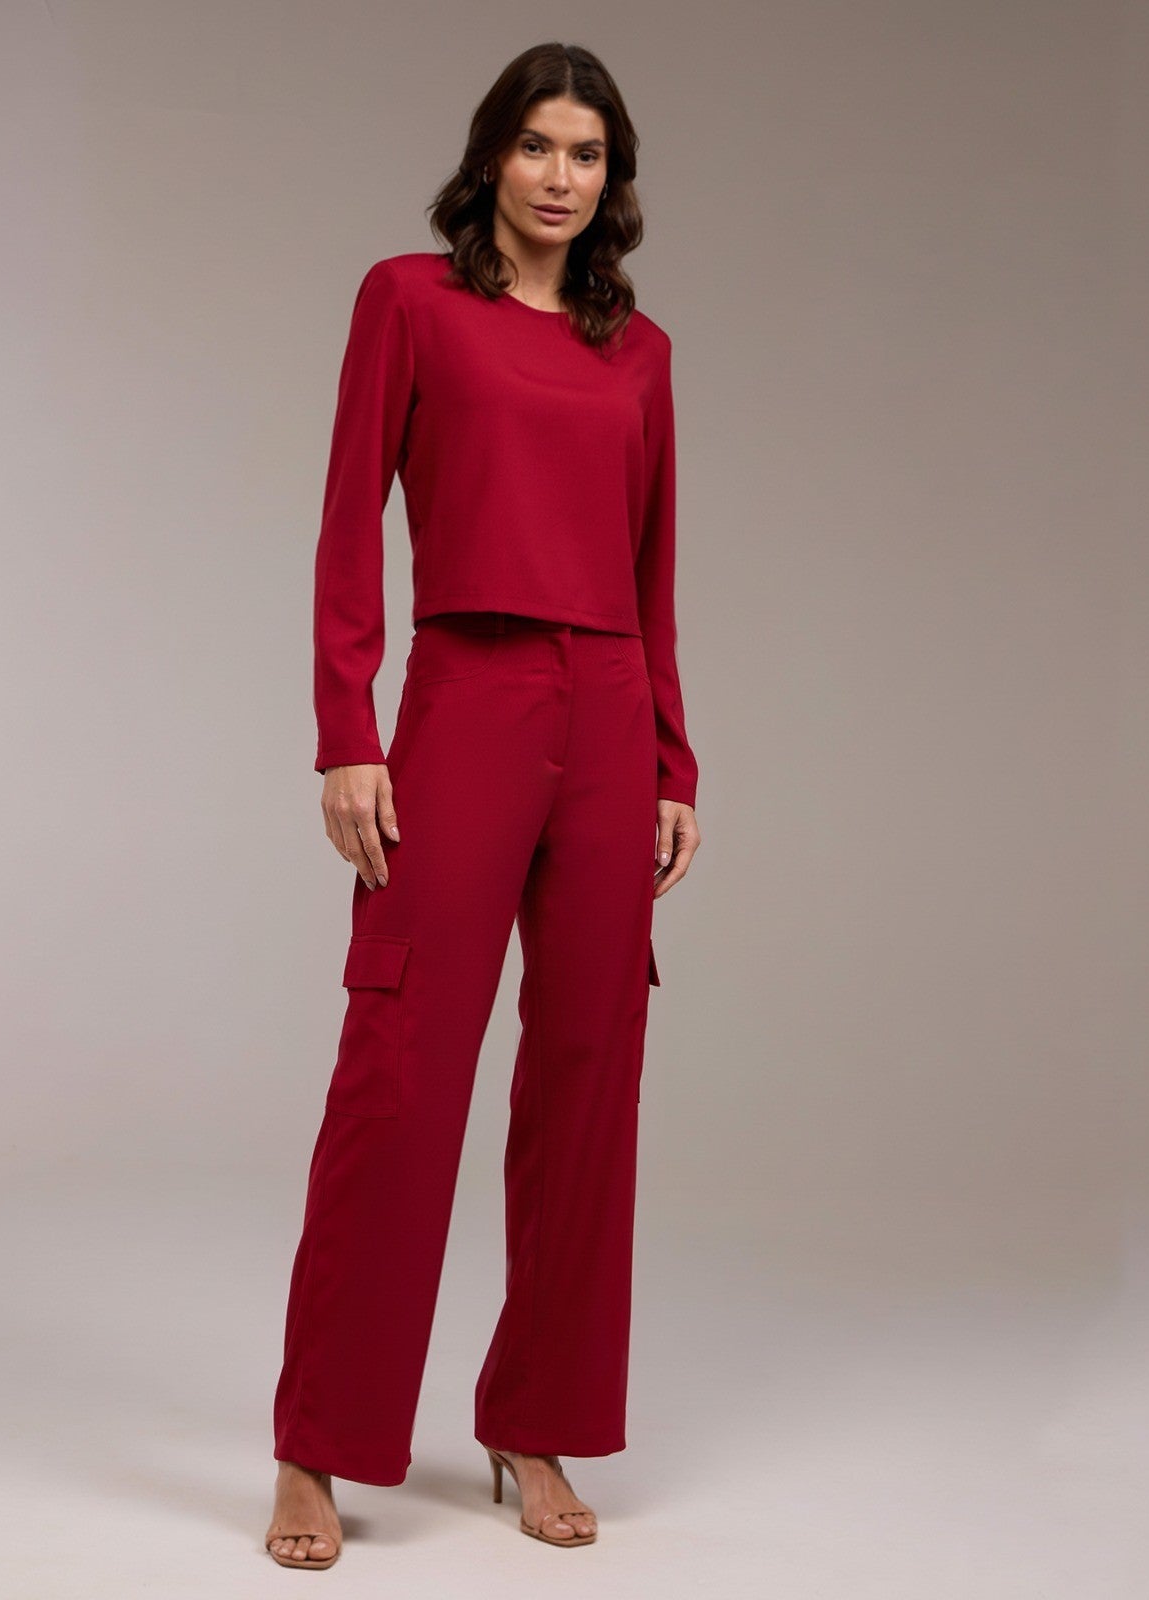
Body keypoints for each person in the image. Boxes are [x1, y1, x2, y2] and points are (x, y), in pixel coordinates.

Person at [264, 41, 702, 1570]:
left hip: (608, 711)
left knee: (589, 1077)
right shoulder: (408, 303)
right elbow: (347, 522)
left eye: (586, 154)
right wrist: (348, 730)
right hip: (465, 700)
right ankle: (319, 1444)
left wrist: (672, 760)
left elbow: (651, 574)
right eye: (536, 146)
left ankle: (536, 1420)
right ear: (491, 157)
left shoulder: (637, 353)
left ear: (611, 178)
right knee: (400, 1069)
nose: (559, 177)